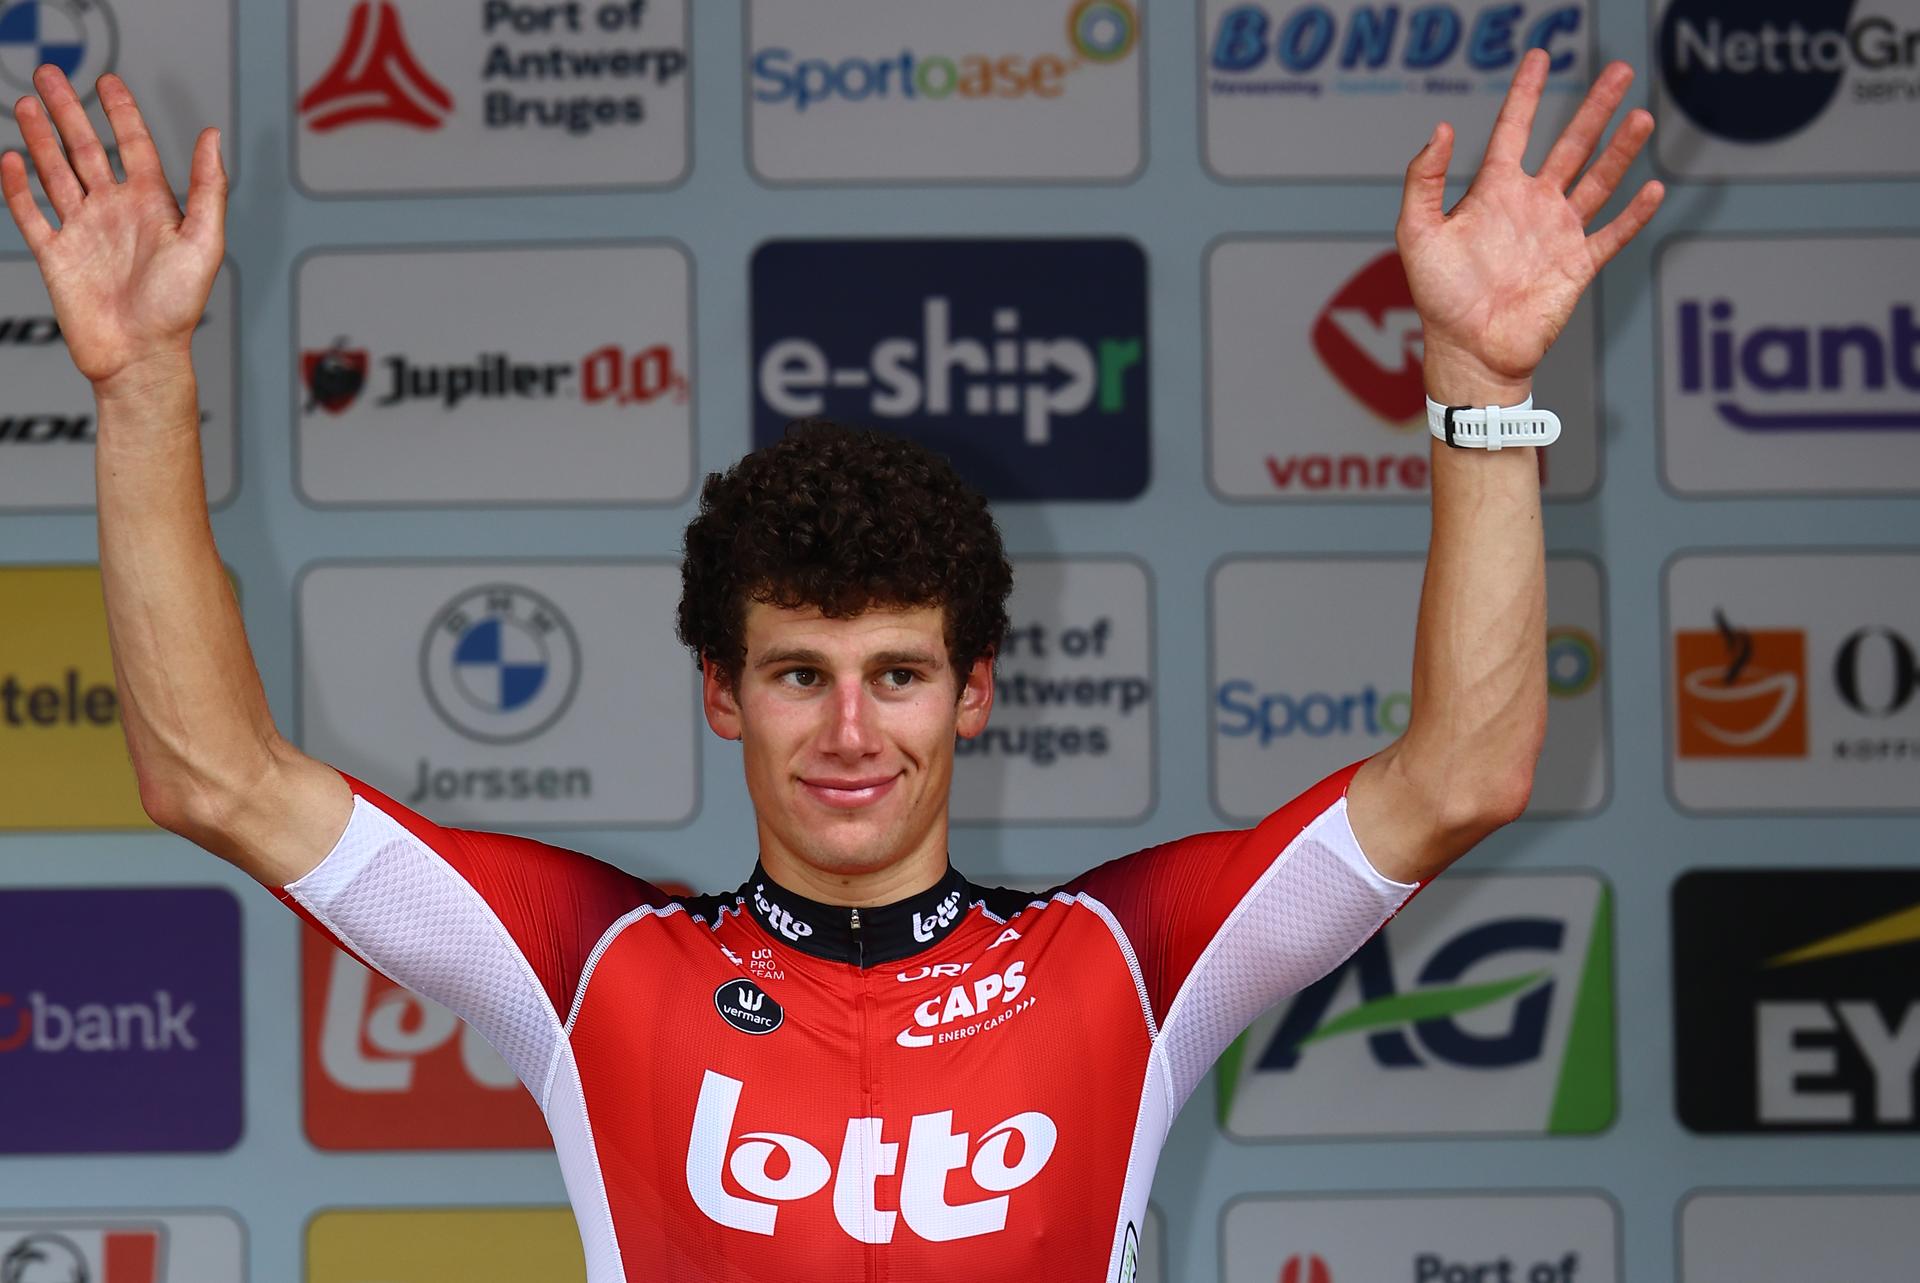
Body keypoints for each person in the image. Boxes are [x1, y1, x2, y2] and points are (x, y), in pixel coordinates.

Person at [3, 50, 1661, 1282]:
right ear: (723, 694)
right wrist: (144, 377)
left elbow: (1463, 777)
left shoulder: (1127, 966)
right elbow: (210, 776)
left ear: (976, 692)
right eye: (799, 673)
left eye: (899, 673)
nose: (853, 728)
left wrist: (1474, 378)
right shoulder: (591, 971)